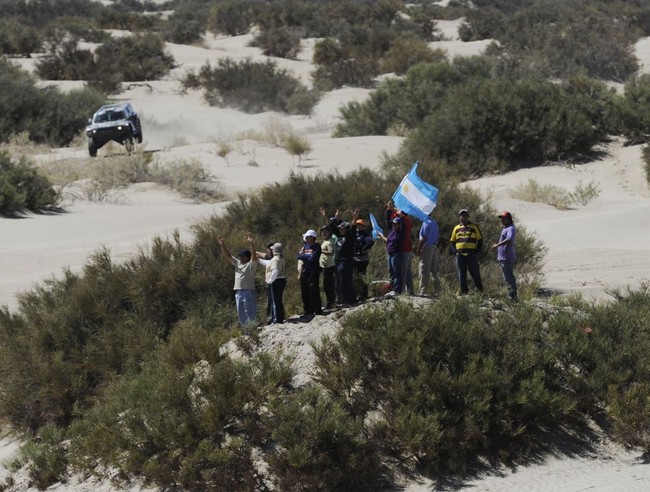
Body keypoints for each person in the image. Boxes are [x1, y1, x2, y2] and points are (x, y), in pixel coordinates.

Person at [217, 233, 258, 327]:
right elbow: (228, 256)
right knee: (241, 314)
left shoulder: (251, 265)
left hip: (248, 292)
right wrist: (222, 245)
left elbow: (254, 257)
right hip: (238, 292)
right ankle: (246, 332)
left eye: (242, 256)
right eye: (240, 256)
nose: (240, 257)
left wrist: (251, 244)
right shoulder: (238, 263)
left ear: (247, 257)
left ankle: (252, 330)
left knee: (250, 313)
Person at [449, 209, 484, 294]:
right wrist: (455, 251)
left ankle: (480, 291)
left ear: (468, 217)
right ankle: (464, 291)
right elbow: (452, 241)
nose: (463, 217)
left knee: (475, 273)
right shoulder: (456, 228)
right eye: (461, 216)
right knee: (461, 274)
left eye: (465, 216)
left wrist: (477, 250)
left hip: (471, 255)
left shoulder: (474, 227)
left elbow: (480, 239)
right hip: (460, 255)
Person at [257, 242, 286, 324]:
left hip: (275, 281)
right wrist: (259, 260)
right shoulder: (281, 258)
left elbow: (275, 271)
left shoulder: (275, 259)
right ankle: (279, 318)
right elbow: (269, 264)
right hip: (281, 280)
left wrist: (270, 281)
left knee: (274, 302)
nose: (271, 250)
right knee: (278, 300)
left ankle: (276, 319)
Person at [492, 211, 517, 301]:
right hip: (503, 257)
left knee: (509, 277)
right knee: (507, 277)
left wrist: (497, 245)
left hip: (507, 257)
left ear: (509, 219)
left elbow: (509, 239)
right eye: (501, 218)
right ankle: (511, 296)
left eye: (504, 218)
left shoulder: (510, 228)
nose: (502, 220)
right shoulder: (506, 228)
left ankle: (512, 297)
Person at [377, 213, 405, 294]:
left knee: (397, 273)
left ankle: (397, 290)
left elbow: (404, 226)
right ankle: (392, 289)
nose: (394, 225)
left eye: (395, 224)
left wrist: (401, 216)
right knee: (391, 272)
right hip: (390, 254)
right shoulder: (392, 231)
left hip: (397, 254)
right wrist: (382, 236)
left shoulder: (400, 233)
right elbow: (388, 240)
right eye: (393, 223)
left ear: (399, 225)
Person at [297, 229, 322, 317]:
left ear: (312, 237)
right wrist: (306, 257)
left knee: (313, 291)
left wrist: (304, 257)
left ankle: (317, 309)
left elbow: (313, 258)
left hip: (313, 271)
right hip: (305, 271)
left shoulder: (317, 246)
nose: (306, 238)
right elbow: (299, 256)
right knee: (305, 291)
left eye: (308, 237)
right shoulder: (305, 246)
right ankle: (308, 309)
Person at [417, 215, 442, 296]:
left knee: (424, 268)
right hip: (434, 246)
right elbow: (438, 235)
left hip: (427, 246)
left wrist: (419, 249)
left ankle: (423, 291)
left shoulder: (426, 222)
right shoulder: (434, 222)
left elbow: (423, 238)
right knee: (435, 269)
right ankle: (438, 290)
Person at [353, 219, 374, 301]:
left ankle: (363, 294)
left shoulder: (365, 235)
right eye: (357, 225)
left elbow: (371, 241)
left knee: (362, 276)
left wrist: (364, 249)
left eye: (360, 225)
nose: (358, 226)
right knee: (355, 277)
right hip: (354, 258)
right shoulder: (354, 234)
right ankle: (356, 293)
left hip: (362, 259)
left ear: (363, 226)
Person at [319, 225, 337, 310]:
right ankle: (330, 302)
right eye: (323, 232)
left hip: (329, 266)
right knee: (327, 285)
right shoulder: (326, 241)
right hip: (326, 266)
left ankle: (331, 303)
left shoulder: (329, 242)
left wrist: (321, 250)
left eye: (326, 231)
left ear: (330, 232)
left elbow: (331, 252)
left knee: (328, 285)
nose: (324, 233)